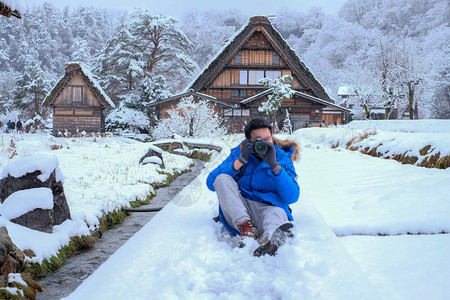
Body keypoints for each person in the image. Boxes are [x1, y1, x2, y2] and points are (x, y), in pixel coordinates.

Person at [206, 118, 300, 256]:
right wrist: (240, 162)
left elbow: (292, 197)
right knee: (222, 179)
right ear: (249, 141)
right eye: (259, 140)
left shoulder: (281, 159)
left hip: (269, 207)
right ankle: (247, 229)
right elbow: (211, 183)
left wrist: (275, 166)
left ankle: (270, 240)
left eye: (268, 139)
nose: (264, 144)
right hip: (239, 210)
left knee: (277, 214)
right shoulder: (239, 153)